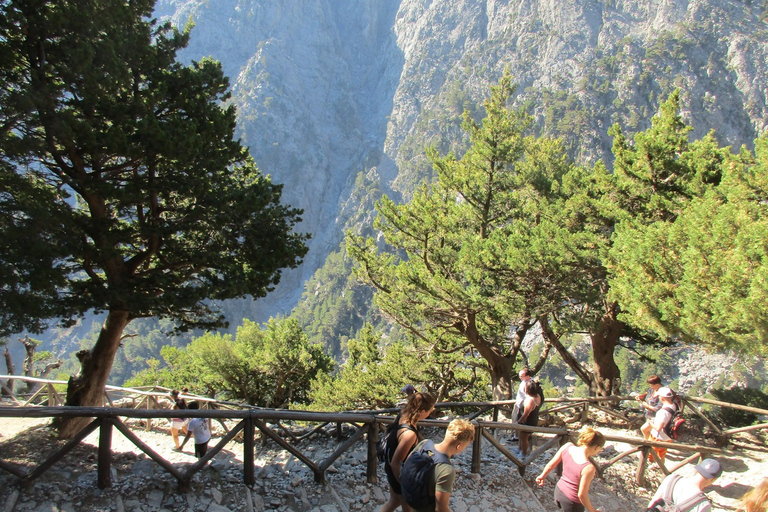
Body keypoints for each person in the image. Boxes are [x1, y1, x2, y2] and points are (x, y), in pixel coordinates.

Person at [380, 391, 437, 512]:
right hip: (399, 473)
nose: (431, 413)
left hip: (389, 465)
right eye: (430, 410)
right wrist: (405, 486)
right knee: (408, 509)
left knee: (394, 501)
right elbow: (396, 463)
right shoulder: (408, 435)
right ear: (422, 412)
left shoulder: (404, 414)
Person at [407, 418, 475, 512]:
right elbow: (440, 508)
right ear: (459, 446)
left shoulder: (424, 444)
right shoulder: (446, 470)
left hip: (410, 501)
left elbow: (406, 464)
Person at [536, 427, 605, 512]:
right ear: (596, 447)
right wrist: (593, 511)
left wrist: (542, 476)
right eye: (600, 449)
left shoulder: (567, 446)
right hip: (572, 503)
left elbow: (550, 465)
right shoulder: (588, 468)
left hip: (559, 491)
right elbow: (581, 495)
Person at [648, 458, 722, 512]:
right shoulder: (703, 505)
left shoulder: (671, 479)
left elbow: (652, 504)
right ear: (713, 479)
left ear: (698, 469)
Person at [649, 387, 678, 462]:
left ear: (662, 398)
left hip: (658, 437)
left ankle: (650, 466)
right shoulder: (674, 406)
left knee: (650, 453)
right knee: (662, 454)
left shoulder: (662, 412)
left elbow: (658, 428)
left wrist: (650, 423)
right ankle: (662, 469)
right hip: (668, 437)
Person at [517, 379, 544, 458]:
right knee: (522, 436)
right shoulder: (537, 396)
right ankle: (520, 450)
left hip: (527, 421)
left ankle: (524, 453)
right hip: (533, 419)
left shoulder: (530, 400)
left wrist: (518, 422)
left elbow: (526, 414)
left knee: (524, 437)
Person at [638, 375, 664, 440]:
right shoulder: (652, 390)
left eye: (651, 384)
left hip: (656, 417)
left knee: (644, 429)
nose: (650, 386)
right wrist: (642, 396)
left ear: (657, 384)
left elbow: (658, 408)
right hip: (649, 415)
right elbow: (648, 394)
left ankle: (649, 445)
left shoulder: (663, 393)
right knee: (649, 432)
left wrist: (647, 406)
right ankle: (651, 445)